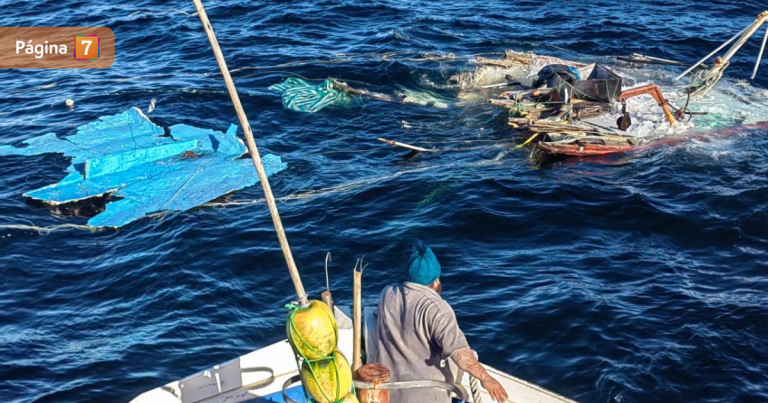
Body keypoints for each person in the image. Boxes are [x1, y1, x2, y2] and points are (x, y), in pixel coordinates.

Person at [375, 242, 509, 403]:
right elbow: (460, 355)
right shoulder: (437, 309)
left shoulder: (387, 294)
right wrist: (486, 378)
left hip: (388, 395)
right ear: (436, 280)